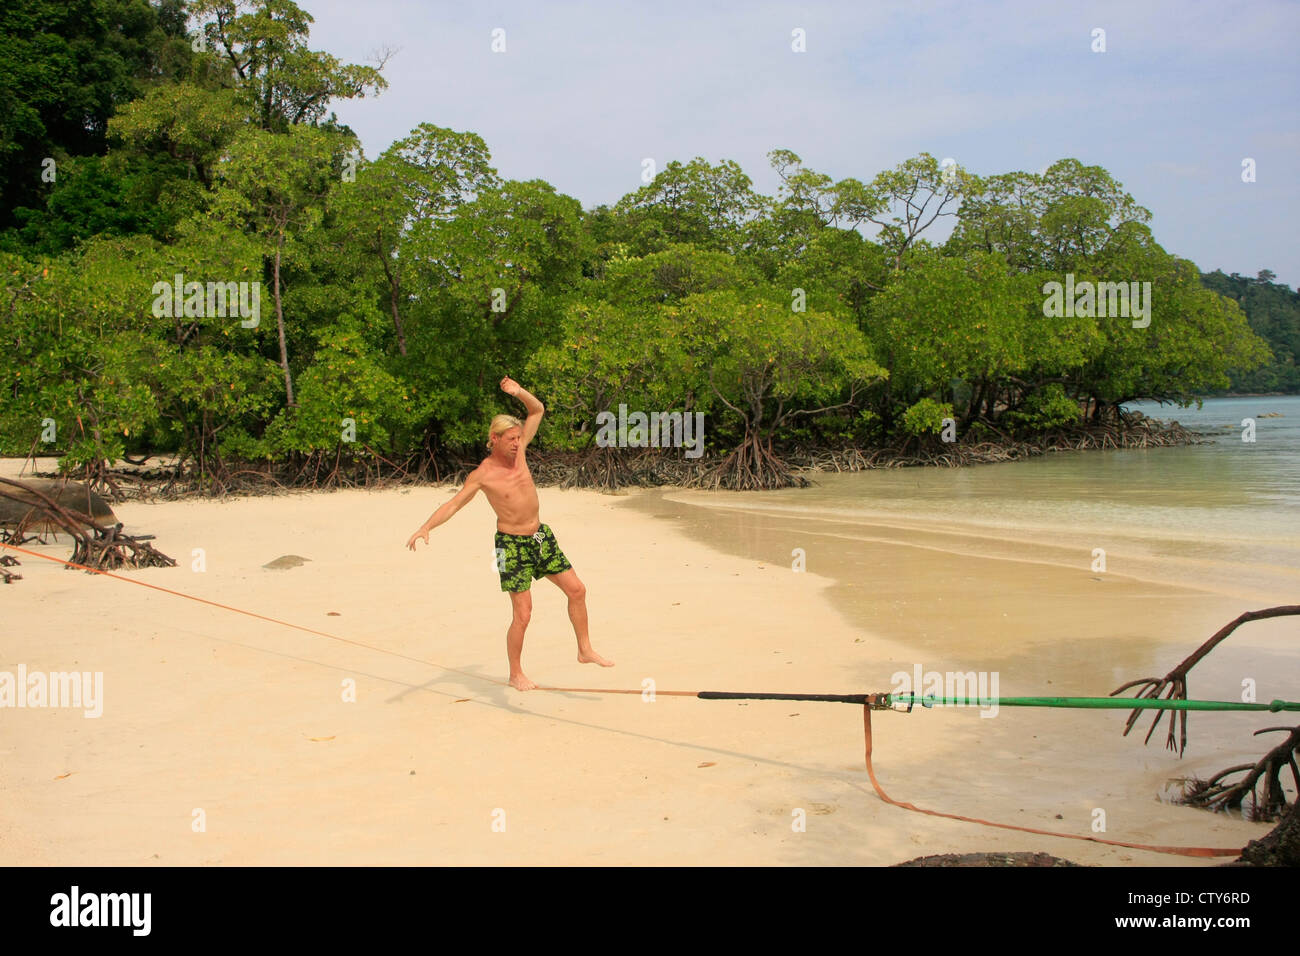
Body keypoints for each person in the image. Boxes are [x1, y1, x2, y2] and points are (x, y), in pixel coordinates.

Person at [406, 376, 613, 690]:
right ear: (495, 438)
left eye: (519, 437)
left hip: (540, 536)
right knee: (524, 613)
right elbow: (454, 504)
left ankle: (584, 650)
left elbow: (537, 410)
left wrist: (519, 393)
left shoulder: (522, 452)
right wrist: (425, 526)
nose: (518, 443)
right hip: (510, 545)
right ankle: (516, 672)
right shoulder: (483, 474)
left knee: (577, 590)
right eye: (512, 439)